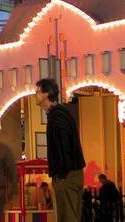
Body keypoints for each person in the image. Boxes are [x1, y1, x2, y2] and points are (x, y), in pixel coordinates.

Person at [35, 78, 86, 222]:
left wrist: (62, 173)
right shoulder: (59, 113)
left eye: (37, 92)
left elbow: (64, 144)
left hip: (67, 175)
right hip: (68, 173)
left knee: (67, 216)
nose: (35, 95)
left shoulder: (57, 115)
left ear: (46, 94)